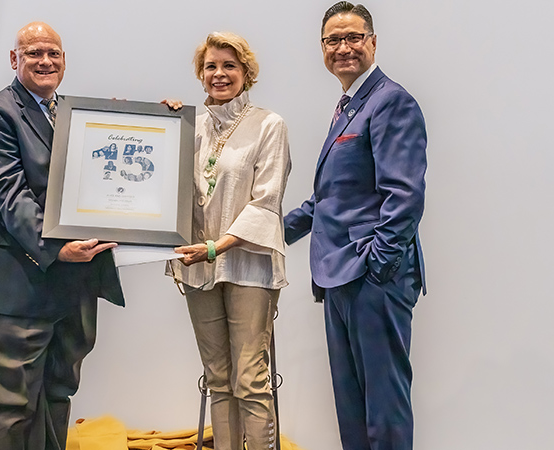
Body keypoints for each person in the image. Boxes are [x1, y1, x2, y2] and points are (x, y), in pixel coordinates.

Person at [0, 22, 124, 450]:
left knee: (57, 396)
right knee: (15, 407)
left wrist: (149, 124)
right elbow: (7, 193)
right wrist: (57, 247)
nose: (45, 61)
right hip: (16, 286)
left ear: (64, 61)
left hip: (74, 285)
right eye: (33, 52)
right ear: (14, 59)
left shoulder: (77, 115)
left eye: (53, 53)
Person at [282, 2, 427, 449]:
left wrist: (378, 265)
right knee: (352, 412)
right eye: (333, 40)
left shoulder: (390, 101)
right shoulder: (347, 107)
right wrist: (259, 234)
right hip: (337, 277)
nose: (343, 47)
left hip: (372, 278)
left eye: (353, 37)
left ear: (373, 43)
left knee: (383, 411)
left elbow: (404, 195)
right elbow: (328, 201)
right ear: (322, 48)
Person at [165, 32, 292, 450]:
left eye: (229, 65)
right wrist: (159, 125)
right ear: (200, 75)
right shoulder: (190, 126)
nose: (219, 74)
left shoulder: (268, 125)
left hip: (248, 264)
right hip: (197, 267)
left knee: (250, 379)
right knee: (217, 377)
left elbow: (266, 201)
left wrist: (216, 247)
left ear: (246, 72)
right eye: (211, 66)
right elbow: (161, 183)